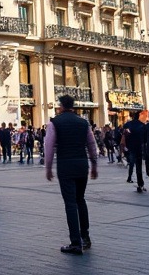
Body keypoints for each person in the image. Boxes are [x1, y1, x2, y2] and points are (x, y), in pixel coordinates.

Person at [44, 96, 99, 255]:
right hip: (82, 165)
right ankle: (86, 237)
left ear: (61, 106)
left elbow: (49, 147)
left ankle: (76, 242)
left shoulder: (55, 123)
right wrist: (94, 165)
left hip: (66, 165)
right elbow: (91, 145)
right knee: (80, 200)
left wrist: (48, 168)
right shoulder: (83, 123)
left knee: (70, 203)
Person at [121, 110, 146, 191]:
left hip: (131, 147)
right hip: (139, 147)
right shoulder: (142, 125)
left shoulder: (129, 124)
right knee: (139, 166)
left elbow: (124, 128)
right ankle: (140, 183)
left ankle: (129, 177)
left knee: (131, 163)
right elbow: (145, 137)